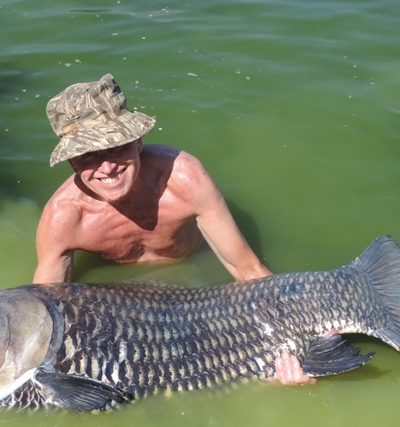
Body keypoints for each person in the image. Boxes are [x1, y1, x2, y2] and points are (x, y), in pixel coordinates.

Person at [33, 73, 314, 385]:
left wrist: (295, 347)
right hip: (118, 303)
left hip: (197, 285)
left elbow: (247, 270)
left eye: (115, 147)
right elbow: (45, 317)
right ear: (73, 163)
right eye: (89, 156)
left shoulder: (184, 180)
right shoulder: (64, 218)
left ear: (137, 141)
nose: (107, 167)